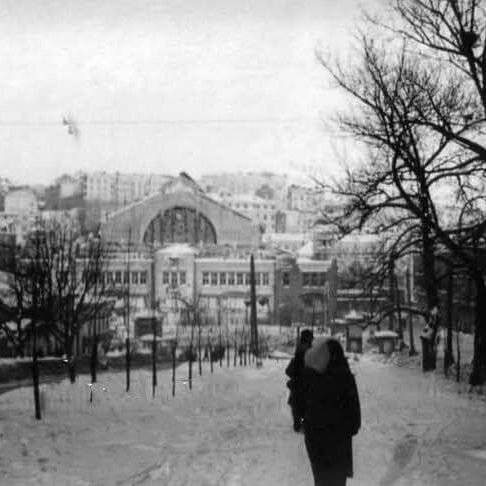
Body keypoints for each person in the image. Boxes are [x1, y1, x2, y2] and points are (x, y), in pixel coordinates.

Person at [302, 338, 361, 486]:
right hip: (340, 443)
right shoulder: (346, 378)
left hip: (316, 442)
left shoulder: (314, 378)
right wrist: (345, 430)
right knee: (338, 481)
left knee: (321, 480)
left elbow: (303, 407)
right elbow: (355, 418)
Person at [285, 329, 314, 432]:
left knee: (296, 403)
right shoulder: (310, 349)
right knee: (307, 403)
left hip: (297, 382)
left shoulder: (299, 347)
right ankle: (305, 422)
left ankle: (297, 423)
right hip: (306, 381)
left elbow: (288, 371)